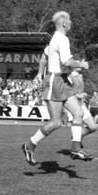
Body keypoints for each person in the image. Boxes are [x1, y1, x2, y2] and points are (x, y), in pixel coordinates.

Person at [22, 11, 91, 165]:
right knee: (56, 122)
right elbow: (67, 62)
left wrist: (39, 73)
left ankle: (75, 148)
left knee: (78, 113)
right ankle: (30, 145)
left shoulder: (55, 38)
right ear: (64, 23)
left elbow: (44, 57)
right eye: (70, 21)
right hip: (55, 80)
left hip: (62, 80)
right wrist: (82, 64)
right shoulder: (62, 39)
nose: (71, 23)